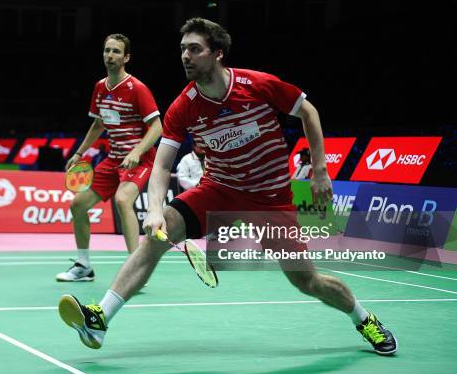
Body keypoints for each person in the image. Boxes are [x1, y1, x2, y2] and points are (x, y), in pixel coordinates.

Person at [57, 18, 397, 355]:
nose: (185, 56)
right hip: (218, 189)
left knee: (307, 281)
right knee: (155, 241)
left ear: (217, 53)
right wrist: (157, 210)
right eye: (182, 50)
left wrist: (320, 171)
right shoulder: (184, 106)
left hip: (270, 198)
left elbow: (307, 111)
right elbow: (162, 164)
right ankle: (99, 319)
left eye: (194, 49)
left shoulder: (257, 85)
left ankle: (363, 318)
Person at [56, 33, 163, 282]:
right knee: (78, 205)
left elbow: (157, 127)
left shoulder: (137, 89)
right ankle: (83, 266)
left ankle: (137, 270)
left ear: (126, 57)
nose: (110, 56)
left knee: (123, 199)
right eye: (107, 51)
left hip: (141, 158)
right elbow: (98, 125)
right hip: (114, 159)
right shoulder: (100, 87)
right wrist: (80, 152)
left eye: (116, 51)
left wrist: (136, 152)